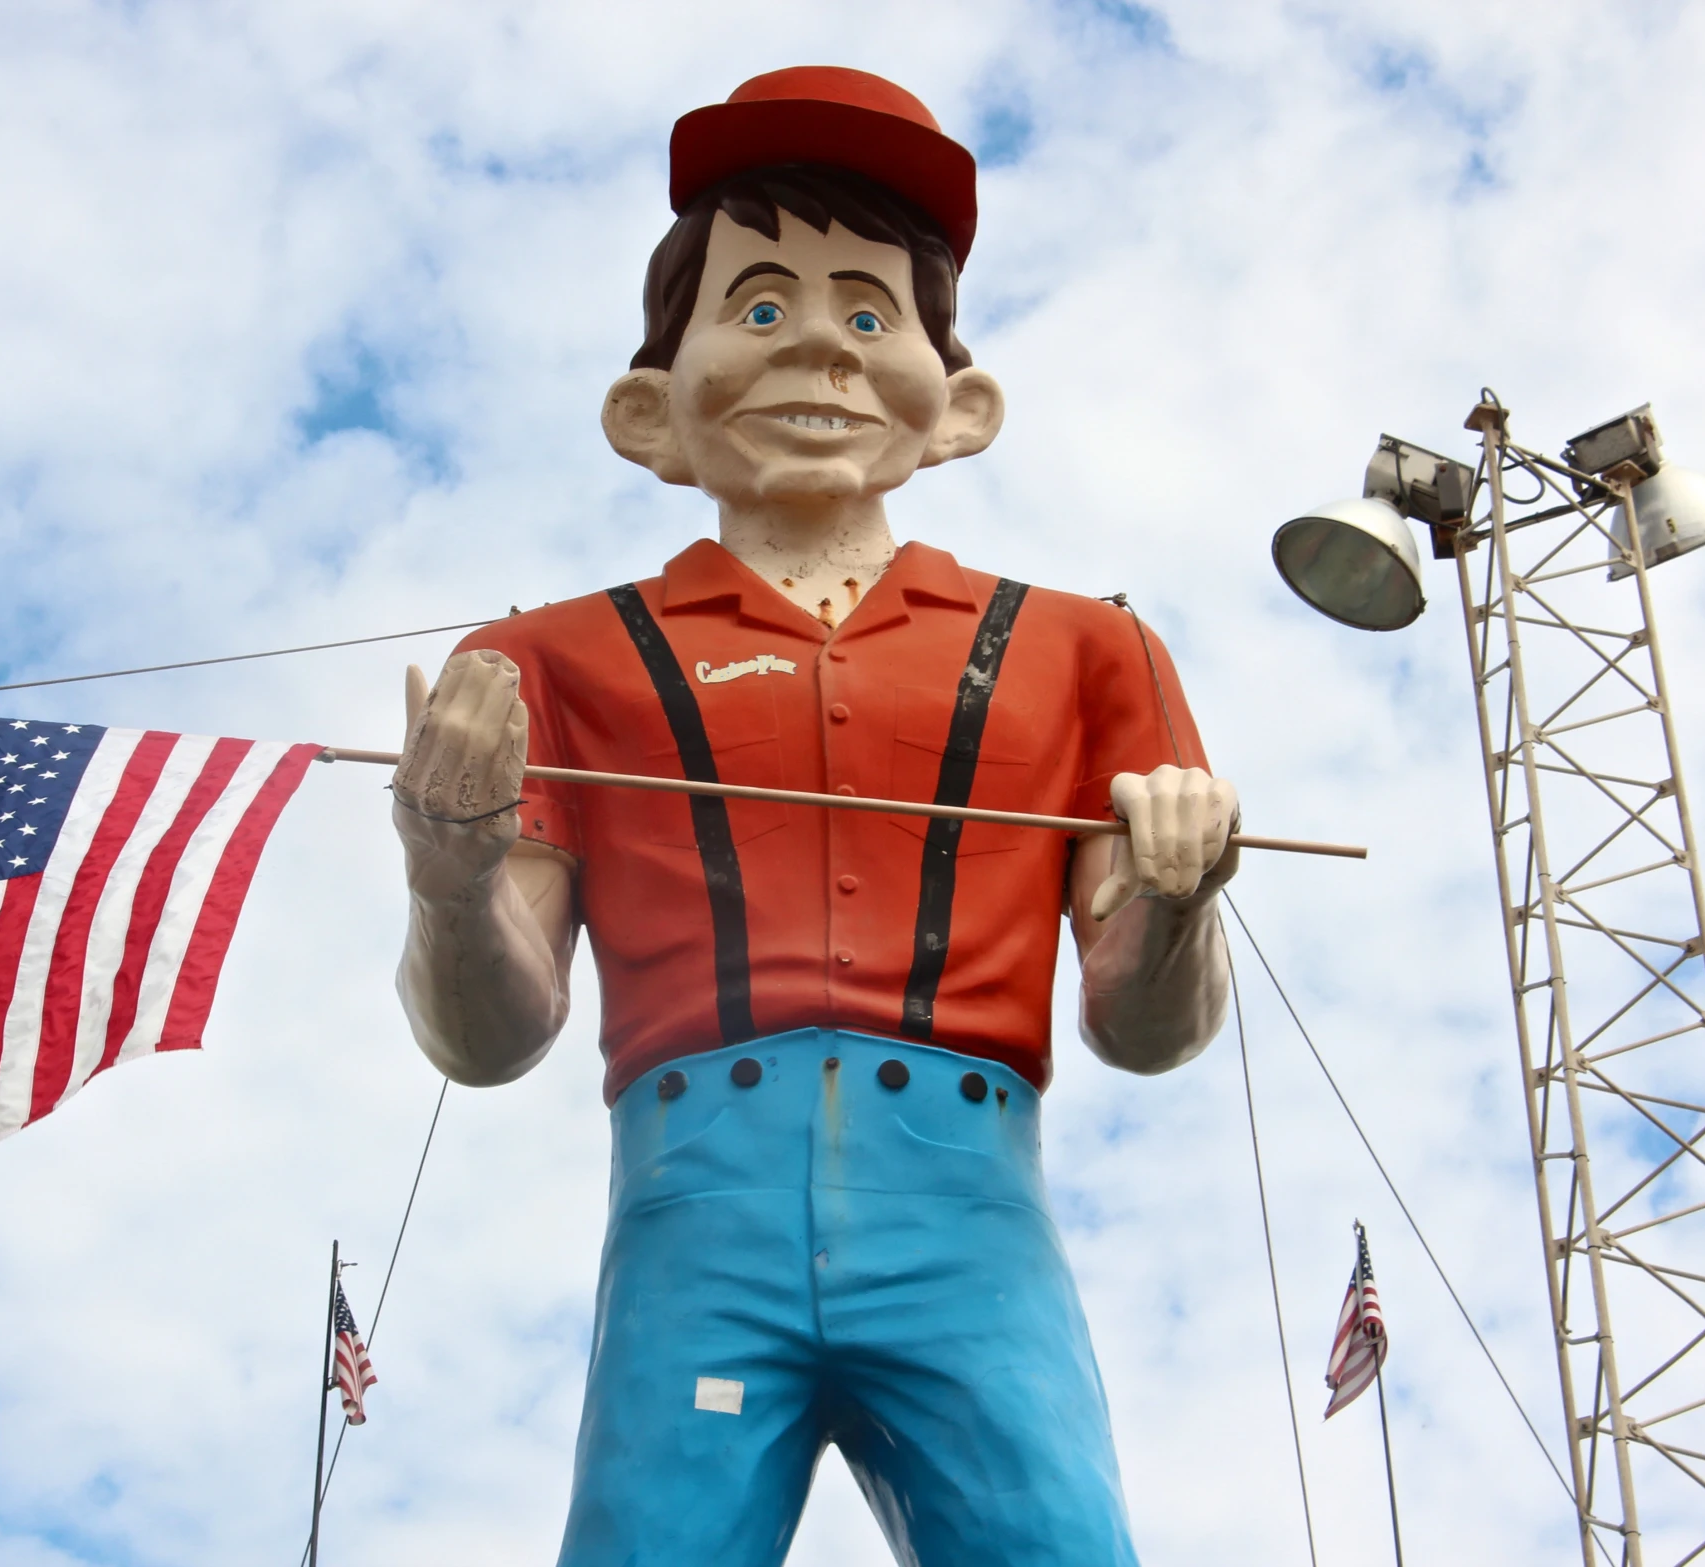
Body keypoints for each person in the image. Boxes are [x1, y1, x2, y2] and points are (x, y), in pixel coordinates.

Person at [389, 66, 1240, 1567]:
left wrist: (1176, 901)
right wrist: (449, 880)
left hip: (971, 1216)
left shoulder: (1087, 652)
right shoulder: (540, 665)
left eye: (867, 312)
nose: (822, 355)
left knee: (1056, 1542)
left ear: (954, 404)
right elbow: (487, 1034)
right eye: (761, 306)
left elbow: (1144, 1024)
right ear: (649, 411)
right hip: (691, 1211)